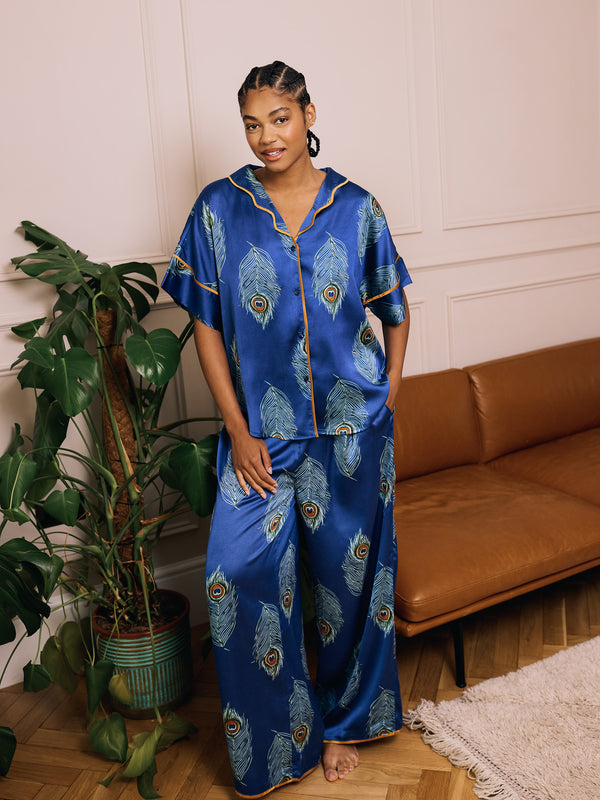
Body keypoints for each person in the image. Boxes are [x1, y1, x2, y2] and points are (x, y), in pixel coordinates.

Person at [161, 60, 411, 798]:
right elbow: (205, 325)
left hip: (351, 430)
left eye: (279, 118)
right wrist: (237, 429)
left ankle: (340, 727)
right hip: (262, 438)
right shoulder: (218, 209)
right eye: (251, 123)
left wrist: (386, 394)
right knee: (235, 578)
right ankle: (275, 749)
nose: (266, 136)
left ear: (307, 115)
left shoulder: (357, 206)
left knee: (349, 584)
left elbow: (393, 308)